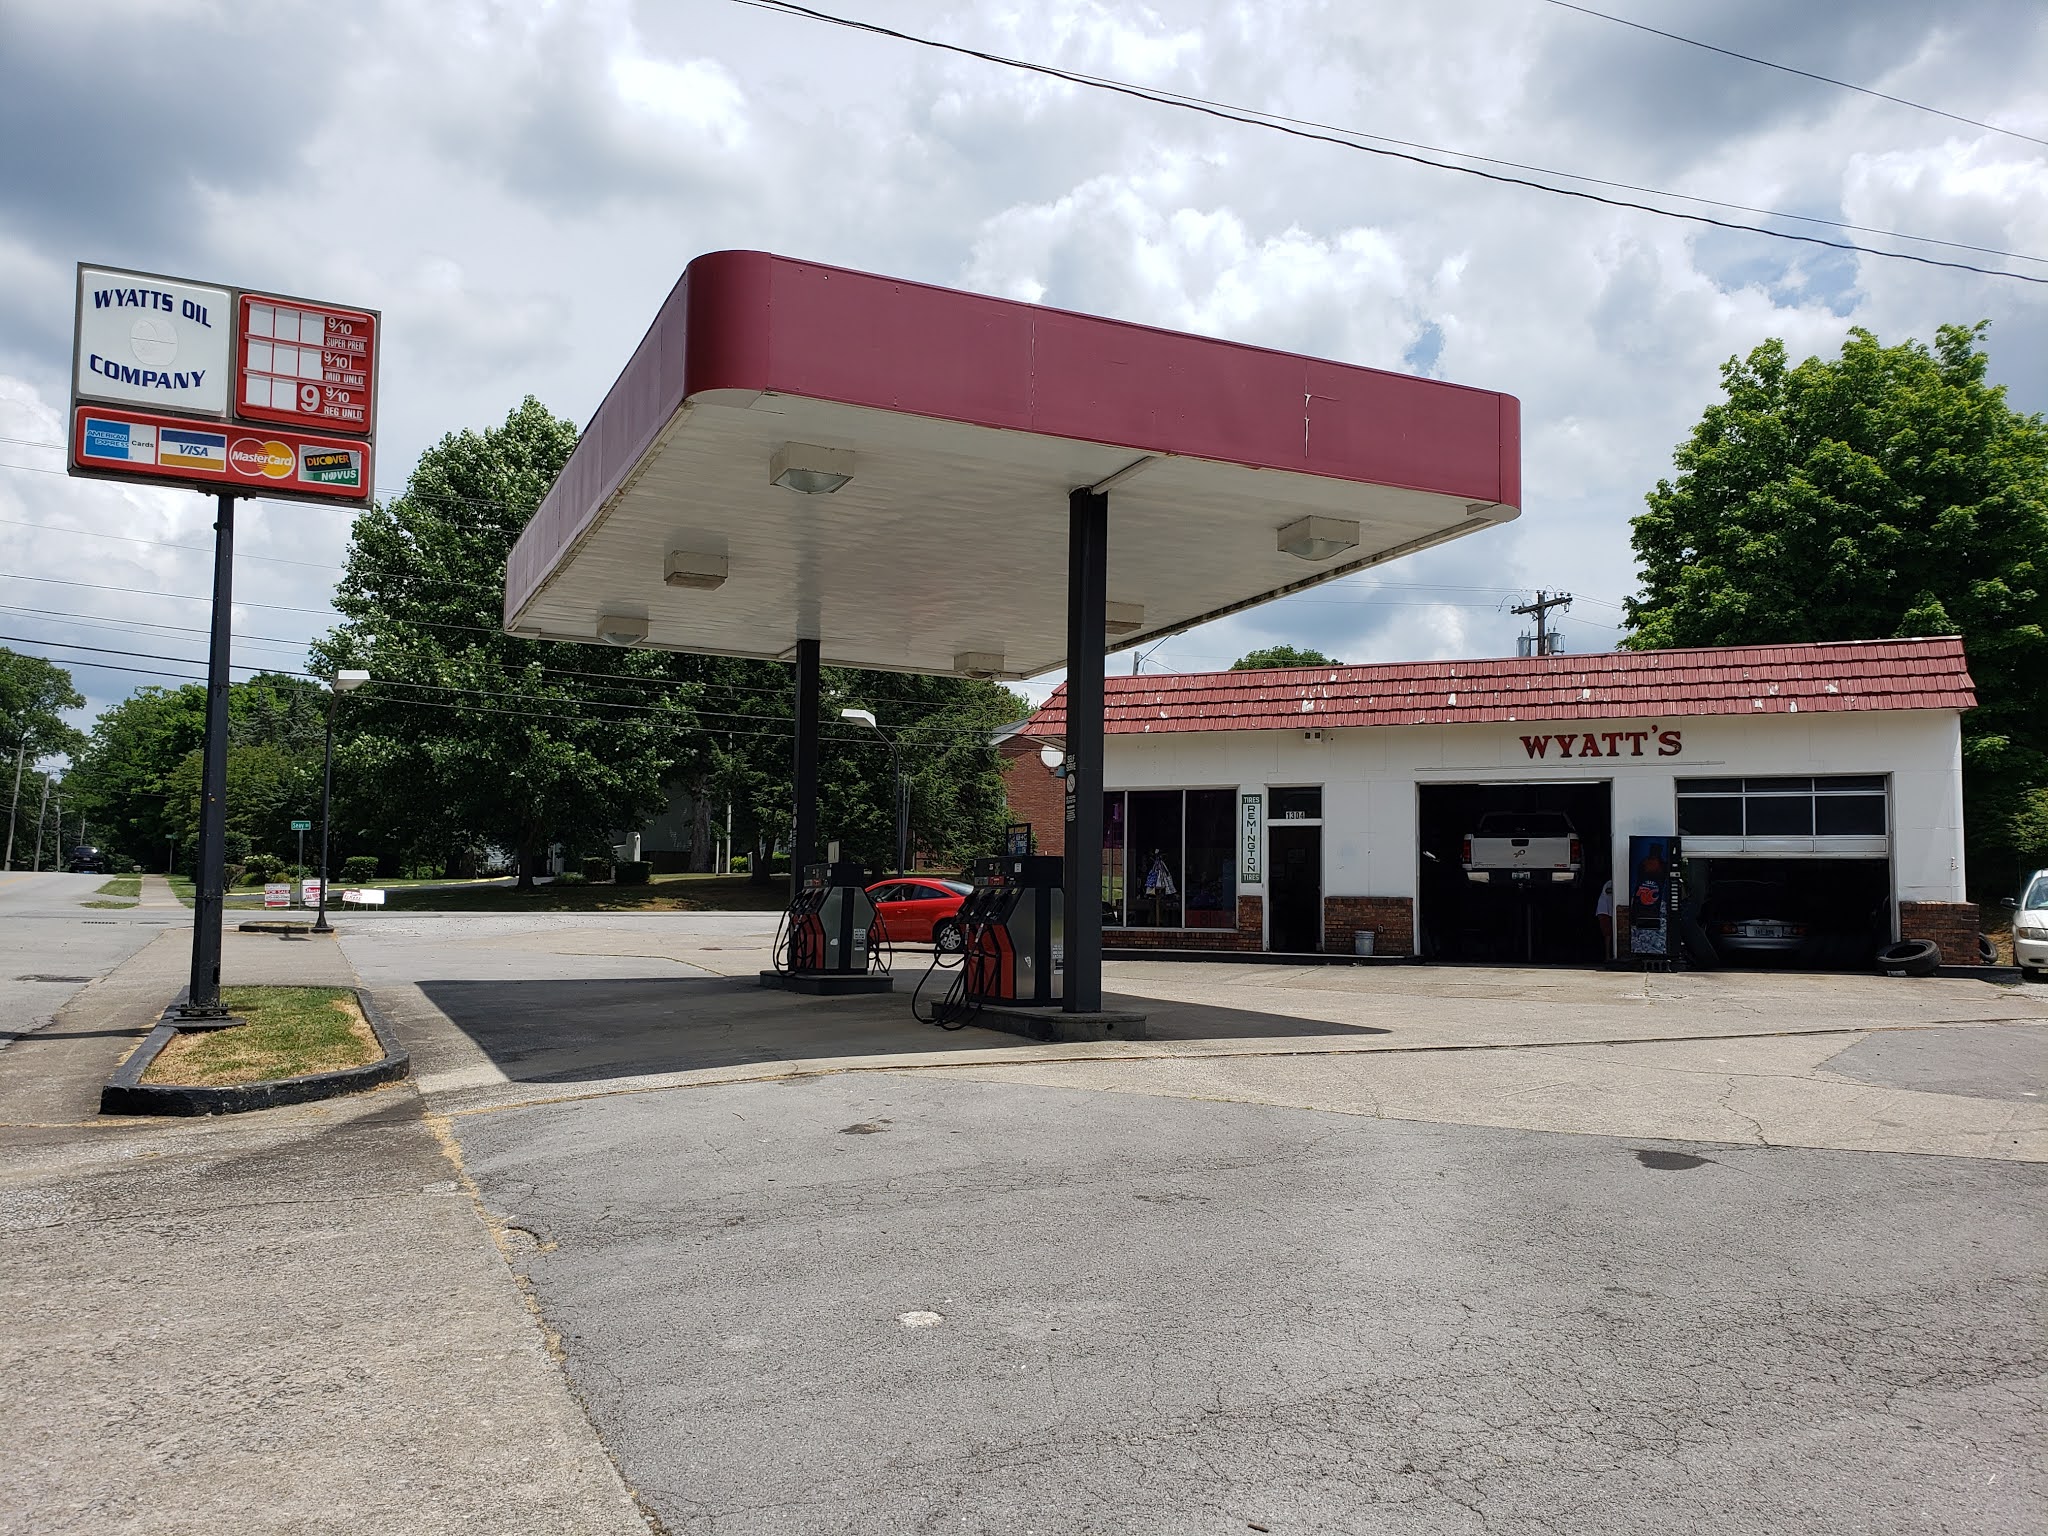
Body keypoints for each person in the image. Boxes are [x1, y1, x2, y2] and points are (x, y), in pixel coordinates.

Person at [1595, 878, 1614, 959]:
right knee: (1607, 934)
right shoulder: (1610, 882)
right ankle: (1607, 956)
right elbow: (1608, 891)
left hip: (1608, 912)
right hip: (1604, 911)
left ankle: (1608, 955)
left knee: (1609, 934)